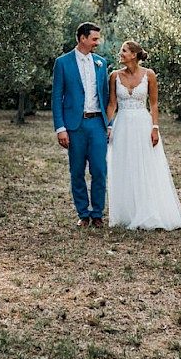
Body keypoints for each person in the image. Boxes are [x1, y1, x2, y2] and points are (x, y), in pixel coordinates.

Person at [105, 40, 181, 230]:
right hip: (122, 124)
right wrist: (106, 126)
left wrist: (155, 127)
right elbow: (112, 105)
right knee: (125, 166)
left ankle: (149, 210)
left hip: (143, 123)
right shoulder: (114, 76)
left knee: (146, 166)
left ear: (134, 55)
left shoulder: (149, 75)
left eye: (123, 51)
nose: (120, 54)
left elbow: (154, 104)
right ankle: (127, 212)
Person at [51, 22, 110, 228]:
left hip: (97, 124)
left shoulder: (101, 62)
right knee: (76, 171)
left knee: (99, 170)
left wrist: (108, 124)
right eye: (94, 39)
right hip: (74, 126)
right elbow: (57, 97)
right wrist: (60, 128)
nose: (97, 43)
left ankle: (97, 214)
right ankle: (83, 214)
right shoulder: (63, 63)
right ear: (82, 38)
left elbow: (106, 95)